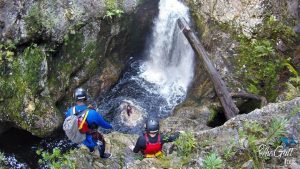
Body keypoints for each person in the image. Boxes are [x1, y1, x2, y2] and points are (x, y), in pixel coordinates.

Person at [65, 88, 112, 159]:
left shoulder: (70, 111)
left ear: (75, 99)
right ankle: (102, 156)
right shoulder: (93, 113)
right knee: (102, 142)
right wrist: (111, 126)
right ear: (85, 98)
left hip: (78, 136)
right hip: (90, 137)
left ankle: (91, 150)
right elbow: (104, 125)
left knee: (87, 143)